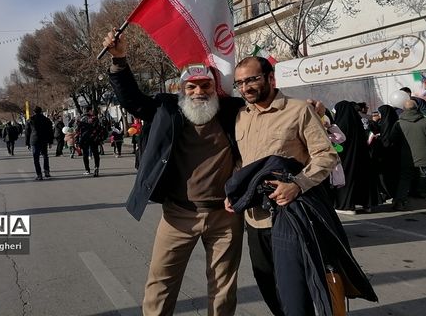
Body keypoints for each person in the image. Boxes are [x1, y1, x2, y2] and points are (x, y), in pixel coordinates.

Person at [104, 31, 245, 316]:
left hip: (225, 217)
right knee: (160, 285)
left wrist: (311, 107)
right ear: (181, 90)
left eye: (204, 85)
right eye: (191, 87)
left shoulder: (233, 111)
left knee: (222, 290)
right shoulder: (167, 109)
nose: (198, 92)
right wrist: (119, 60)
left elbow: (269, 107)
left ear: (214, 87)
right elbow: (132, 100)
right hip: (178, 215)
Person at [229, 56, 341, 315]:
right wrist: (235, 190)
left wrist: (298, 185)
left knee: (295, 290)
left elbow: (326, 155)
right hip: (255, 218)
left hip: (289, 217)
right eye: (240, 83)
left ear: (270, 78)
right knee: (267, 283)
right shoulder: (241, 117)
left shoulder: (299, 110)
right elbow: (241, 161)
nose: (246, 87)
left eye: (252, 79)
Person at [389, 100, 426, 211]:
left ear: (404, 109)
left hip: (407, 156)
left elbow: (392, 139)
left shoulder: (399, 123)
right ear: (417, 108)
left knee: (405, 178)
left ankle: (400, 202)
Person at [333, 100, 380, 214]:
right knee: (363, 179)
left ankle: (347, 206)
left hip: (347, 159)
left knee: (347, 180)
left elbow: (340, 143)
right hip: (362, 157)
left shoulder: (342, 124)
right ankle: (366, 204)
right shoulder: (357, 122)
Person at [25, 107, 53, 180]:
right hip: (44, 140)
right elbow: (50, 131)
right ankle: (47, 172)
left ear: (34, 112)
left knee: (36, 158)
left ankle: (39, 175)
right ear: (41, 112)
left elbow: (27, 133)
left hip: (34, 141)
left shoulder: (30, 120)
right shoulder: (46, 120)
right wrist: (50, 142)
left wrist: (27, 143)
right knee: (45, 156)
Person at [77, 110, 103, 177]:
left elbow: (78, 130)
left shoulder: (82, 119)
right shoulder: (95, 119)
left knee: (85, 154)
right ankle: (96, 167)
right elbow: (100, 128)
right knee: (95, 154)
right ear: (90, 111)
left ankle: (87, 170)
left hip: (84, 139)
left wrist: (78, 141)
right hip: (94, 138)